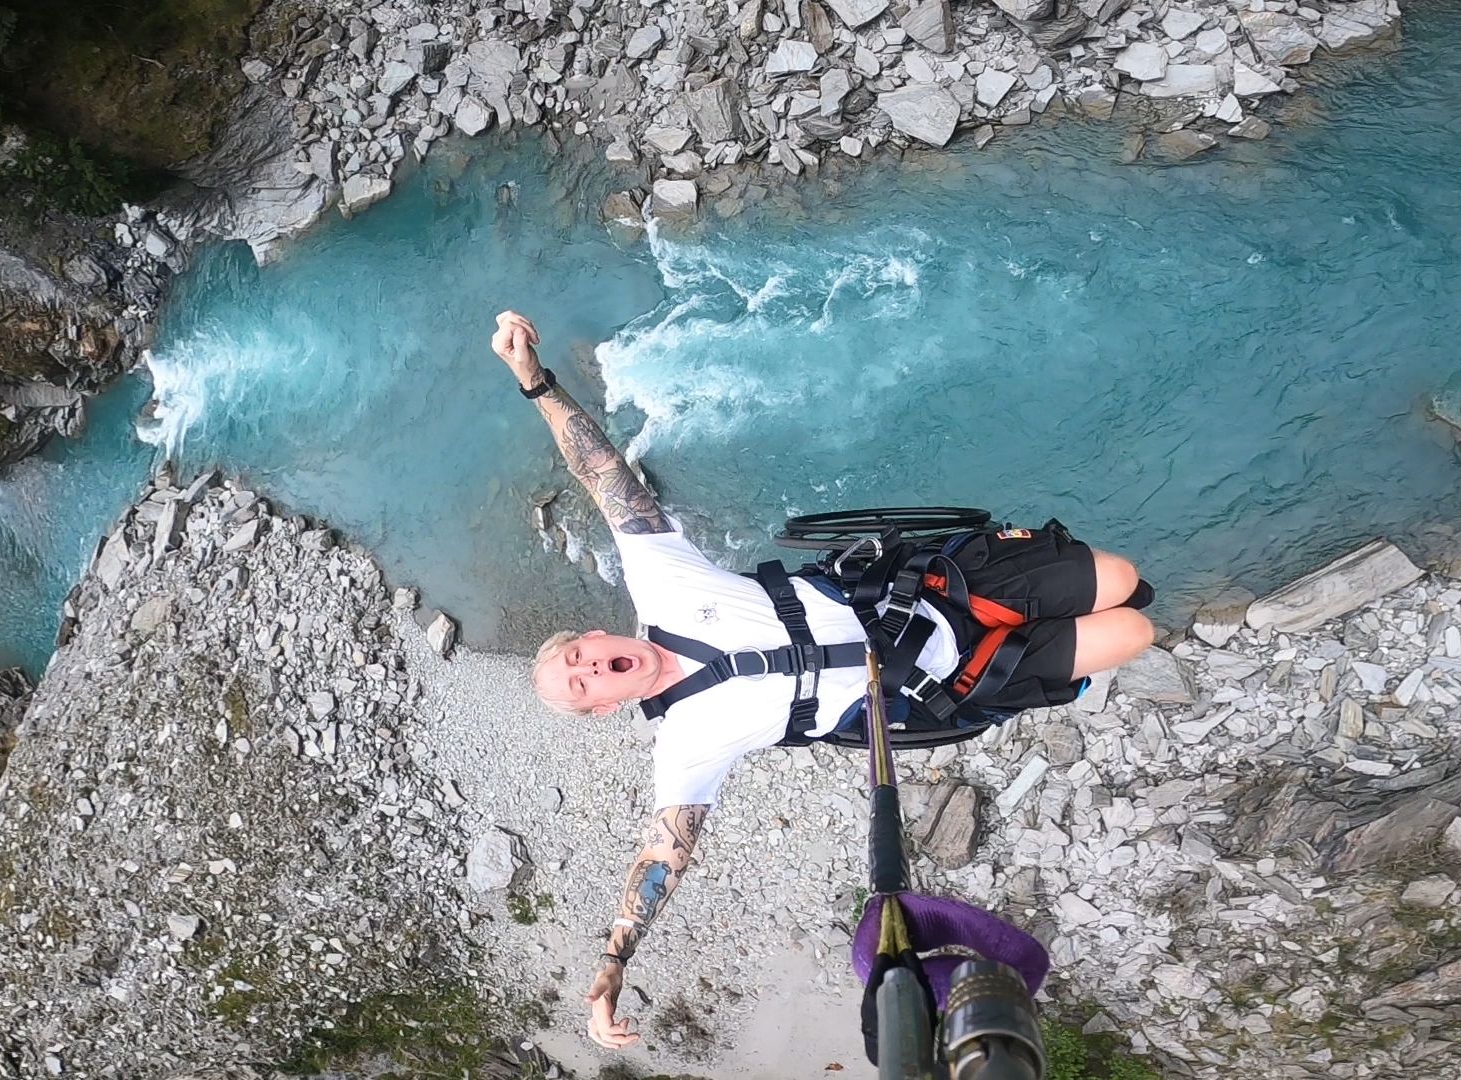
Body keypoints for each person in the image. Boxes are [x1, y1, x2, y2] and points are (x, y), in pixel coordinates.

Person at [487, 311, 1156, 1050]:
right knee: (1136, 632)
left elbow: (602, 473)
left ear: (596, 637)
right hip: (942, 681)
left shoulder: (660, 581)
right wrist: (614, 961)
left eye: (580, 658)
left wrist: (533, 381)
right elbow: (662, 853)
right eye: (581, 686)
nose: (589, 670)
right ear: (602, 710)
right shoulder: (685, 749)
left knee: (1123, 577)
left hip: (930, 592)